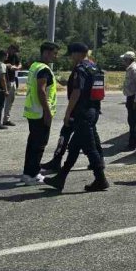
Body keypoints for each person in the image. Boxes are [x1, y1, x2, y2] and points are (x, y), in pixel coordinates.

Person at [44, 43, 108, 192]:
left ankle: (101, 179)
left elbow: (76, 92)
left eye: (72, 54)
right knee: (74, 147)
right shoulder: (95, 67)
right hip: (93, 110)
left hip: (82, 112)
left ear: (78, 53)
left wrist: (68, 114)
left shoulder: (80, 69)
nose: (71, 57)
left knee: (90, 148)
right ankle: (60, 178)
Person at [20, 42, 58, 186]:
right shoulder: (44, 70)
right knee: (39, 145)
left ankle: (27, 173)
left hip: (33, 112)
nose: (56, 56)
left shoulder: (34, 66)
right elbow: (41, 91)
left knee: (32, 144)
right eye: (54, 53)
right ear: (47, 53)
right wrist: (47, 113)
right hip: (41, 113)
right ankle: (33, 174)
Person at [121, 51, 136, 150]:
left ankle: (132, 144)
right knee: (133, 120)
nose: (123, 61)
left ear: (128, 60)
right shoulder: (130, 68)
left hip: (134, 97)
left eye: (124, 59)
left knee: (133, 121)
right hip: (131, 97)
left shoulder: (135, 69)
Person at [2, 44, 22, 127]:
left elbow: (20, 64)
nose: (15, 52)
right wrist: (8, 66)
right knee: (0, 102)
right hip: (4, 80)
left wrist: (17, 67)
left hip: (12, 80)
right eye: (14, 50)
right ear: (10, 48)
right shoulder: (3, 54)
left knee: (10, 101)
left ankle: (6, 119)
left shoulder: (15, 56)